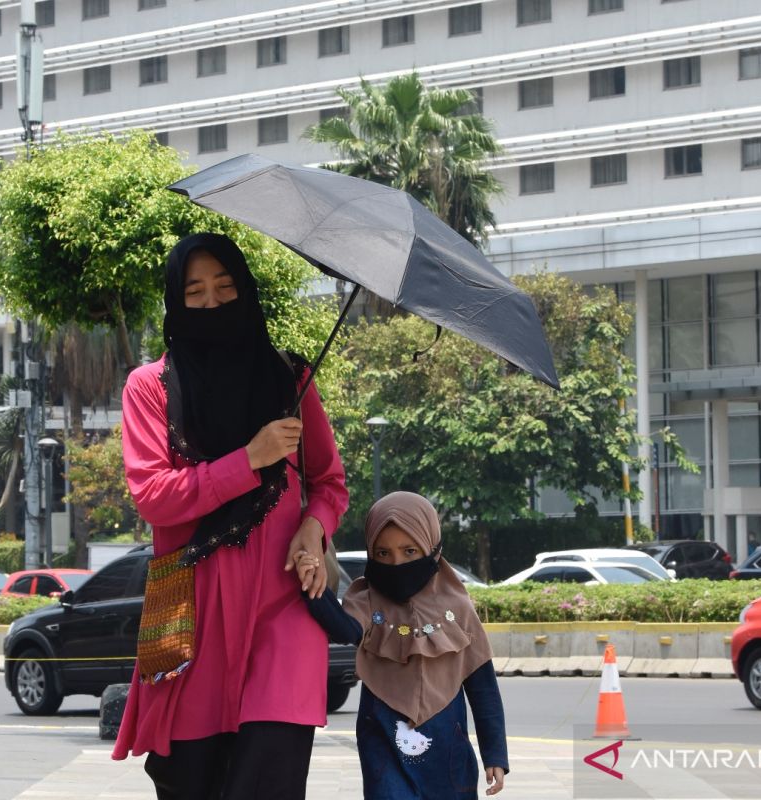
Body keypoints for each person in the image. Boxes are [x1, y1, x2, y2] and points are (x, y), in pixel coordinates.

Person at [111, 232, 349, 800]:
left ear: (245, 291)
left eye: (225, 286)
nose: (213, 302)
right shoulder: (149, 389)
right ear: (176, 302)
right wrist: (249, 459)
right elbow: (153, 495)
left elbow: (329, 483)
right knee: (191, 782)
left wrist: (314, 531)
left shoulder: (290, 380)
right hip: (191, 615)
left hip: (285, 607)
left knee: (269, 778)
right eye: (195, 292)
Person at [297, 492, 508, 799]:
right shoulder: (366, 598)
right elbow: (345, 629)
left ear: (431, 547)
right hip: (383, 746)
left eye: (410, 551)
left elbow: (483, 687)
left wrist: (495, 755)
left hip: (448, 752)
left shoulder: (457, 608)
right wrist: (314, 587)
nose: (396, 563)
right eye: (383, 554)